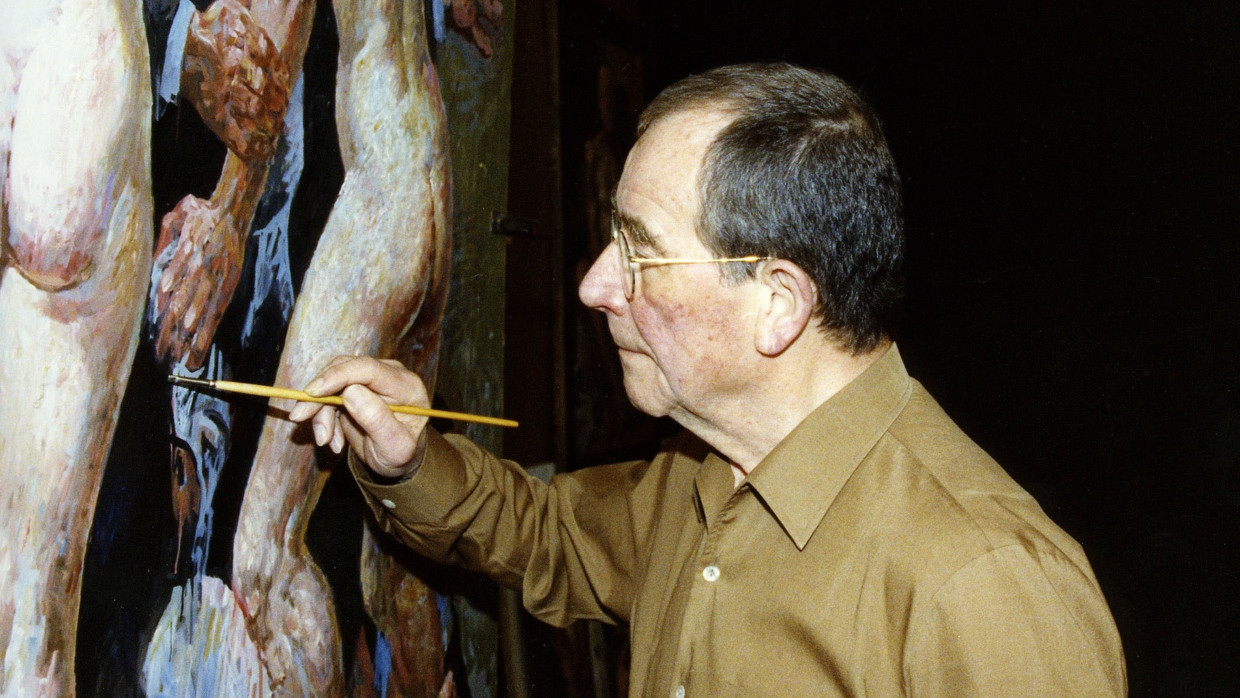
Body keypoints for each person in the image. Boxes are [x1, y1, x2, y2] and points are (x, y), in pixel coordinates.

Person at [290, 63, 1127, 695]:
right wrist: (406, 459)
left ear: (778, 303)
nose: (594, 286)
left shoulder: (987, 588)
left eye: (642, 251)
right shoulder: (702, 471)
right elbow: (545, 534)